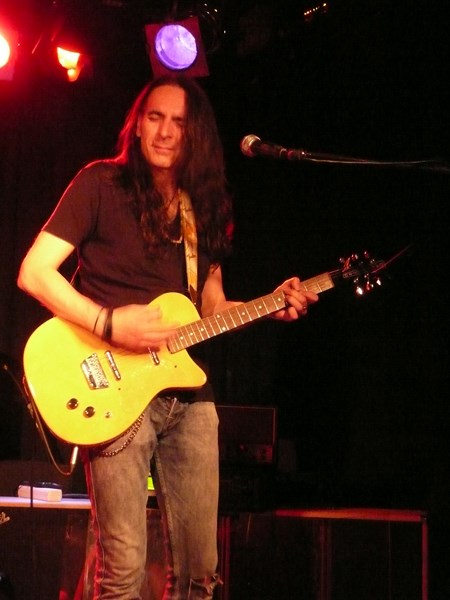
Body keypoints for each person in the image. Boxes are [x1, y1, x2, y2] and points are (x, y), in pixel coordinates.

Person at [17, 74, 319, 599]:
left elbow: (212, 307)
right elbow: (34, 273)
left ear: (193, 133)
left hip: (189, 399)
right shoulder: (99, 184)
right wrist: (109, 323)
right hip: (115, 394)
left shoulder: (204, 205)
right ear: (136, 126)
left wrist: (271, 305)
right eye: (155, 117)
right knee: (123, 573)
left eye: (178, 122)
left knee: (201, 573)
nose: (165, 131)